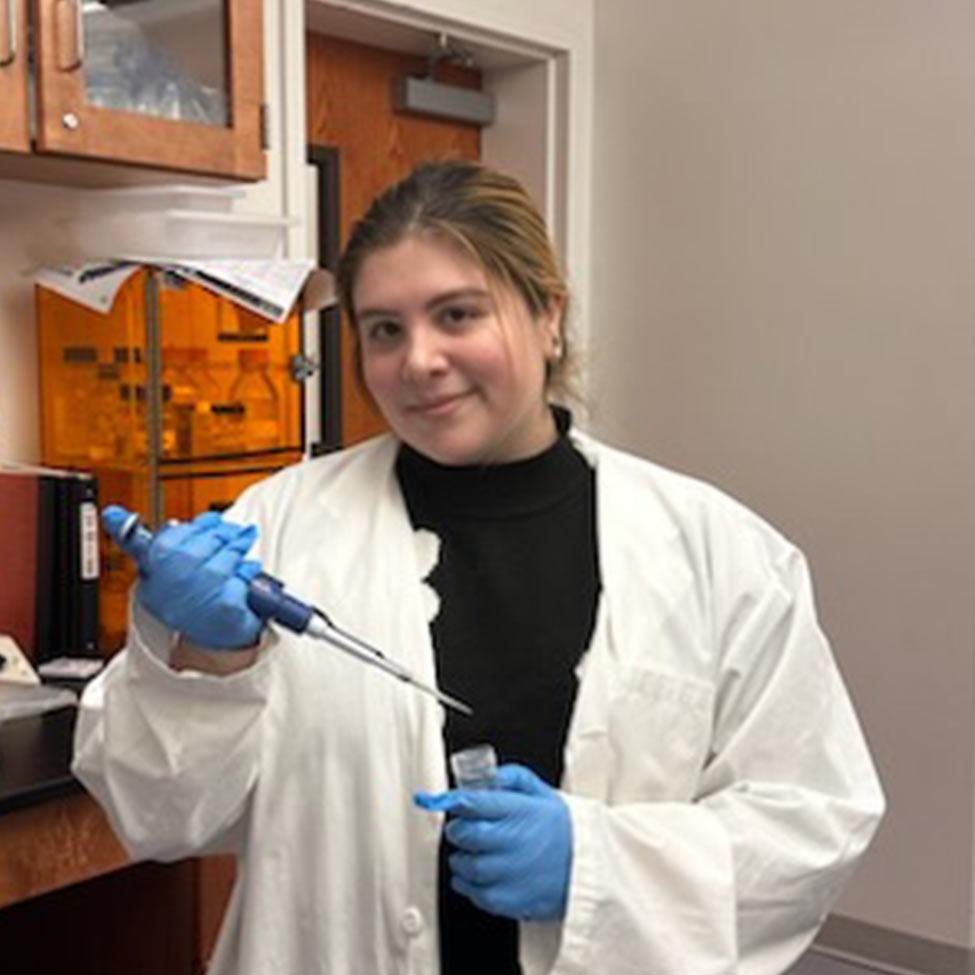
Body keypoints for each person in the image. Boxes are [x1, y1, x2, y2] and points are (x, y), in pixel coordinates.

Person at [74, 159, 884, 975]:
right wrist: (207, 661)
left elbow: (813, 820)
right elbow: (157, 813)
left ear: (547, 318)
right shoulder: (277, 525)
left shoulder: (715, 551)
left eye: (456, 314)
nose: (418, 359)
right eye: (384, 328)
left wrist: (595, 861)